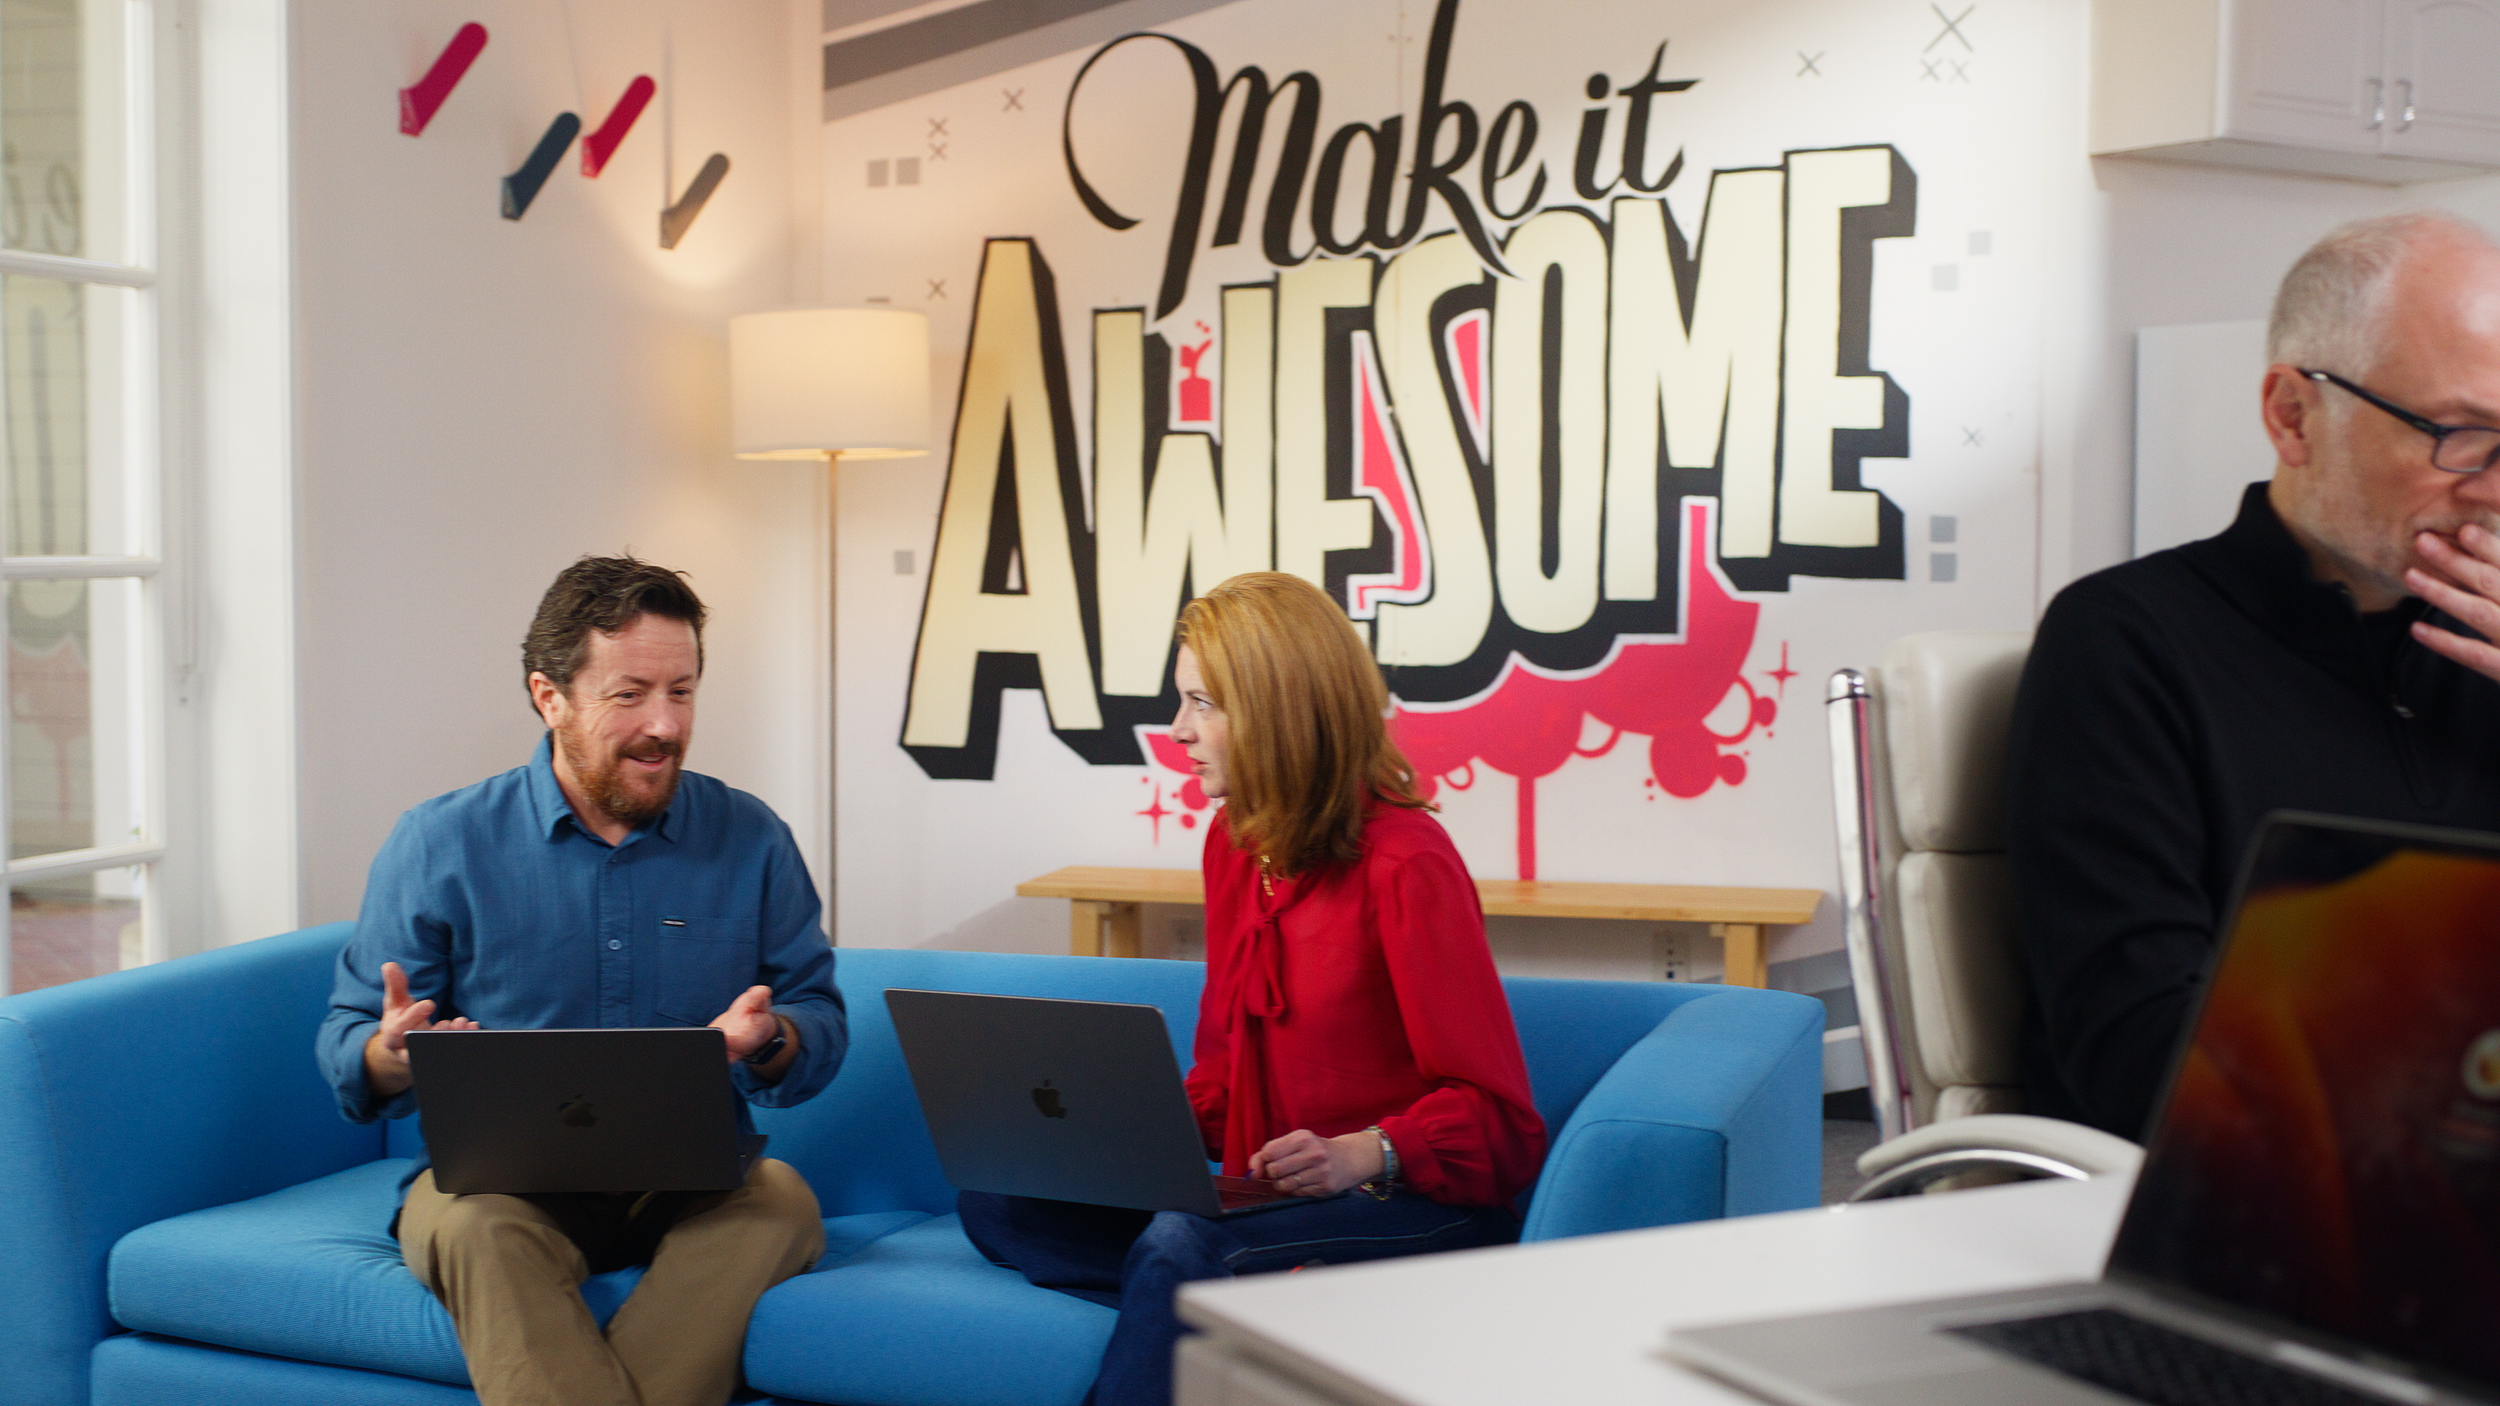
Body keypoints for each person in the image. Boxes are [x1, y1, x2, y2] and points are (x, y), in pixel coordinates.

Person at [960, 572, 1546, 1406]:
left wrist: (1360, 1152)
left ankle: (1210, 1294)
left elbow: (1504, 1128)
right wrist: (1123, 1131)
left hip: (1410, 1206)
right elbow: (1226, 1079)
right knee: (996, 1199)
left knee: (1180, 1243)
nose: (1177, 731)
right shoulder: (1236, 845)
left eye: (1202, 704)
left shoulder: (1407, 862)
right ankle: (1243, 1299)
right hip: (1265, 1200)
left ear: (1276, 712)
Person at [2007, 211, 2500, 1140]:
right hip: (2261, 1212)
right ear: (2292, 416)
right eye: (2459, 435)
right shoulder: (2128, 645)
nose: (2495, 487)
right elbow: (2139, 1049)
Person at [316, 555, 846, 1406]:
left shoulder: (753, 838)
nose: (665, 726)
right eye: (629, 694)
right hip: (499, 1191)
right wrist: (391, 1054)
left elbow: (816, 1014)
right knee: (474, 1228)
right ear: (548, 696)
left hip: (696, 1184)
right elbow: (347, 1043)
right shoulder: (439, 842)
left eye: (682, 692)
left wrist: (773, 1037)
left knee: (781, 1199)